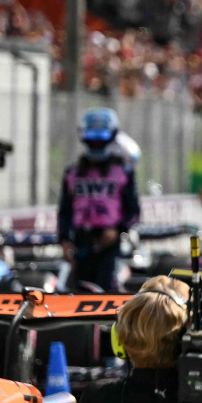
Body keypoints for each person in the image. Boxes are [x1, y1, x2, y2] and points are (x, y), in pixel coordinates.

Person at [58, 109, 141, 291]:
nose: (96, 141)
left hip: (110, 246)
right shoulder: (72, 173)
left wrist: (118, 230)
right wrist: (64, 239)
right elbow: (64, 210)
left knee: (108, 292)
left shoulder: (123, 172)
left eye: (101, 136)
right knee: (76, 292)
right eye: (92, 136)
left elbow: (133, 210)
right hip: (80, 243)